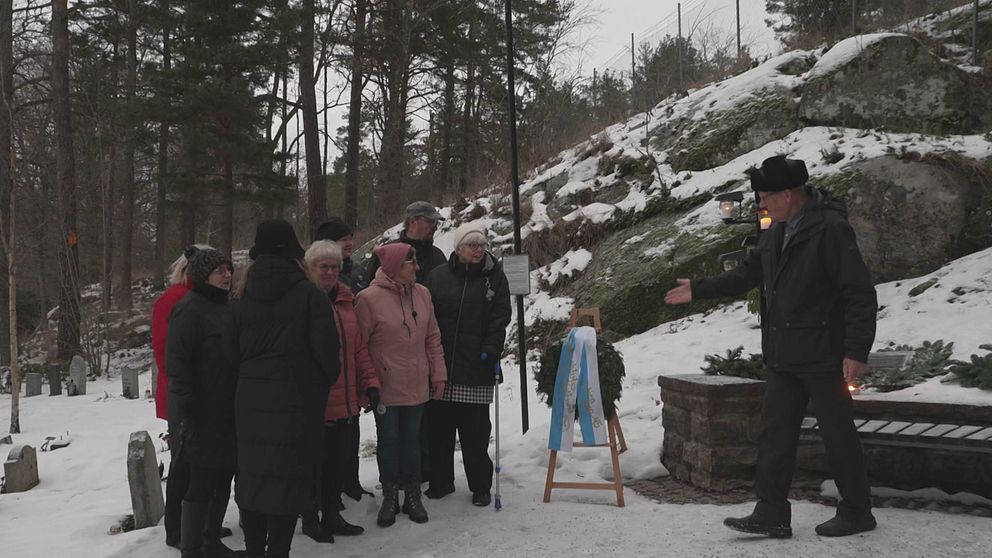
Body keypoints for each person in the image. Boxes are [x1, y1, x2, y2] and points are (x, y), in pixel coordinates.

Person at [664, 155, 878, 538]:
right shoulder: (775, 232)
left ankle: (858, 511)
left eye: (765, 196)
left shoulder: (830, 229)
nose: (760, 204)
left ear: (788, 193)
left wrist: (856, 350)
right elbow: (747, 274)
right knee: (774, 436)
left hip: (823, 354)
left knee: (838, 435)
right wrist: (698, 288)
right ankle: (772, 513)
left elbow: (859, 293)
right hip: (783, 354)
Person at [223, 219, 341, 558]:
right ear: (294, 253)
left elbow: (230, 355)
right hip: (297, 403)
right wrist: (316, 386)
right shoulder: (310, 295)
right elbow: (327, 354)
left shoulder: (239, 298)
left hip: (249, 402)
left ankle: (255, 551)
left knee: (254, 478)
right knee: (288, 482)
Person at [354, 243, 446, 527]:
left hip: (417, 383)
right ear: (394, 266)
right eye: (411, 263)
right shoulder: (368, 299)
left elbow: (433, 338)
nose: (417, 268)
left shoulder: (423, 294)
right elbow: (360, 346)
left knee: (413, 441)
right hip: (386, 387)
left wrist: (438, 374)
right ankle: (390, 494)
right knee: (390, 442)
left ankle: (413, 494)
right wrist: (366, 385)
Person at [424, 222, 511, 506]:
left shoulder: (495, 277)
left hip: (477, 365)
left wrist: (491, 349)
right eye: (472, 245)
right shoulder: (438, 277)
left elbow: (500, 316)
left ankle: (481, 486)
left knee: (475, 434)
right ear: (459, 248)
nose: (478, 250)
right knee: (440, 431)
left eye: (482, 245)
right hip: (443, 365)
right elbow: (427, 317)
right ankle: (441, 481)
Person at [300, 240, 380, 543]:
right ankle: (310, 517)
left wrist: (370, 382)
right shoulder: (303, 301)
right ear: (311, 269)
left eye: (335, 266)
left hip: (346, 396)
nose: (331, 272)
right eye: (324, 266)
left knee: (337, 461)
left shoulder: (347, 300)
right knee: (315, 463)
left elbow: (358, 347)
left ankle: (332, 513)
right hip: (318, 398)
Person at [153, 245, 233, 548]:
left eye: (228, 269)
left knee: (214, 469)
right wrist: (185, 400)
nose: (226, 275)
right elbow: (169, 354)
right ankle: (181, 533)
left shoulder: (223, 303)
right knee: (187, 469)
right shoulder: (178, 302)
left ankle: (205, 534)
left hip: (218, 401)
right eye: (218, 269)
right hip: (190, 400)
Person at [366, 201, 447, 284]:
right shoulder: (386, 253)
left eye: (437, 223)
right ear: (412, 222)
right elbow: (368, 289)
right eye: (431, 222)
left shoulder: (438, 256)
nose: (435, 227)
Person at [314, 217, 370, 294]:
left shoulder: (359, 270)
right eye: (344, 240)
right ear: (330, 244)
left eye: (350, 239)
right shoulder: (319, 275)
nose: (349, 243)